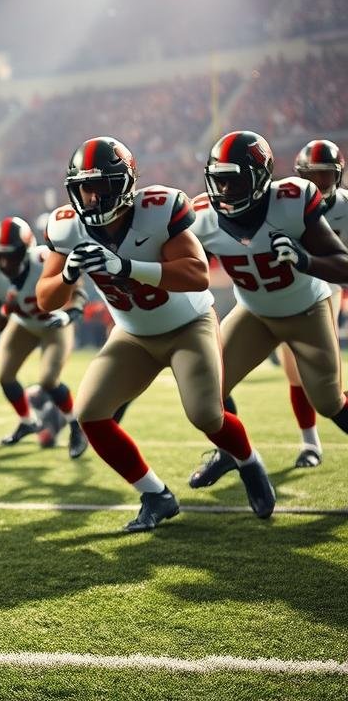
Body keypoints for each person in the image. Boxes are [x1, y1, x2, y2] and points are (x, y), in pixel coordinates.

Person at [37, 135, 275, 533]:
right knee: (90, 413)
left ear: (125, 185)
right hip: (133, 334)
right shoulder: (67, 227)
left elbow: (197, 275)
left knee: (206, 415)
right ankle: (155, 495)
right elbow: (46, 299)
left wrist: (125, 267)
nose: (92, 198)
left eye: (101, 186)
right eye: (84, 188)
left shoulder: (159, 209)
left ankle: (249, 463)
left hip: (188, 326)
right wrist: (67, 274)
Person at [187, 132, 348, 489]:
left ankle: (310, 440)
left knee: (328, 400)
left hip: (306, 310)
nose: (225, 190)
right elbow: (187, 270)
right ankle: (232, 453)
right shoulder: (203, 217)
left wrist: (304, 260)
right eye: (219, 180)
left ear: (259, 177)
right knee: (207, 389)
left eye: (234, 180)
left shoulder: (292, 201)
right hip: (254, 313)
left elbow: (343, 264)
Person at [228, 139, 345, 468]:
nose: (317, 183)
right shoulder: (286, 200)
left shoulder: (343, 207)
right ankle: (310, 442)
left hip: (327, 285)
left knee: (325, 387)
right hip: (287, 287)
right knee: (294, 372)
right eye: (311, 175)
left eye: (325, 175)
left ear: (338, 175)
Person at [0, 215, 88, 457]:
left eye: (12, 255)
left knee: (48, 380)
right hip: (23, 323)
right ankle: (27, 422)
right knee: (5, 376)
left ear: (26, 251)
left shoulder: (45, 261)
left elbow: (76, 288)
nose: (5, 262)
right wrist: (7, 310)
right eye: (0, 255)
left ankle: (76, 426)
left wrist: (70, 313)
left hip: (53, 324)